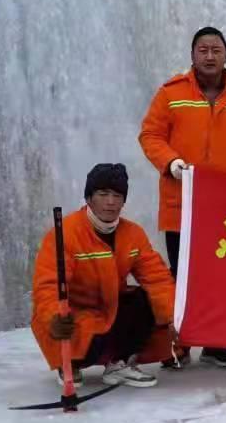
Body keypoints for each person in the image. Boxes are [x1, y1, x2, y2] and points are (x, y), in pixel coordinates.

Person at [139, 26, 226, 369]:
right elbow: (151, 135)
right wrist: (171, 163)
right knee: (180, 275)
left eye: (216, 50)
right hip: (181, 202)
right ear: (193, 55)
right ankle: (180, 343)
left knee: (218, 275)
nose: (210, 56)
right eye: (203, 50)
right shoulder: (171, 93)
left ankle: (214, 341)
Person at [31, 163, 175, 388]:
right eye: (103, 194)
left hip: (110, 309)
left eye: (117, 195)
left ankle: (119, 363)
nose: (111, 202)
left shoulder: (133, 234)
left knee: (143, 299)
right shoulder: (65, 234)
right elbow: (47, 284)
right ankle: (70, 364)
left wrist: (175, 317)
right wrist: (54, 318)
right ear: (89, 198)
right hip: (74, 316)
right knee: (76, 329)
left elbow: (157, 278)